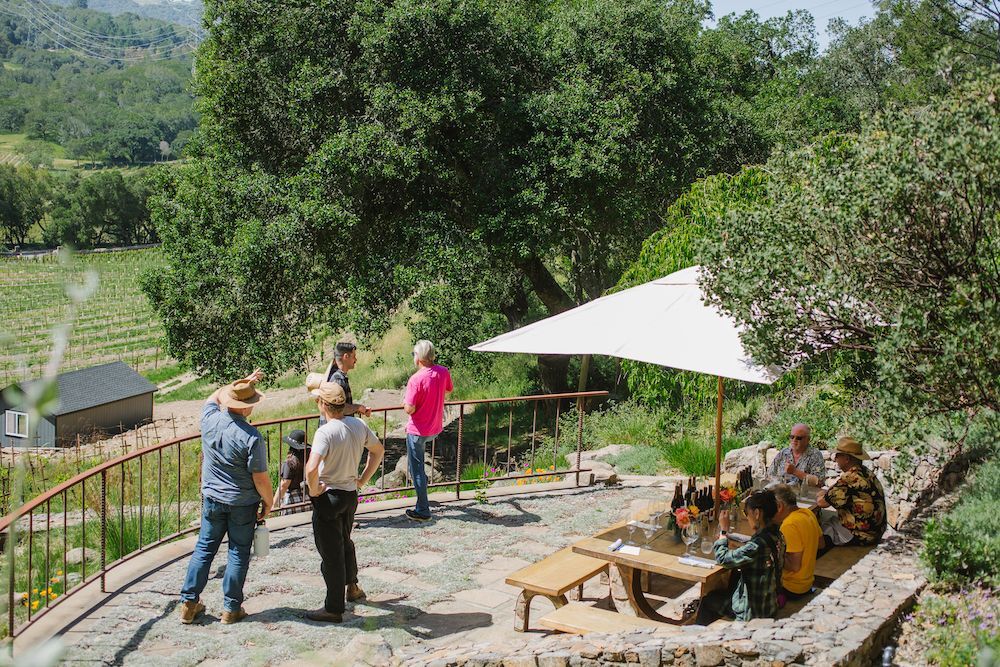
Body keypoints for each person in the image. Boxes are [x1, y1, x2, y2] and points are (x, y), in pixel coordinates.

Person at [179, 370, 272, 625]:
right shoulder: (252, 437)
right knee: (238, 552)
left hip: (212, 498)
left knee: (204, 548)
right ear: (247, 407)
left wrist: (239, 384)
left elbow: (214, 397)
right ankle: (231, 608)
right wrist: (269, 501)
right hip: (242, 503)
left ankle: (188, 603)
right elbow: (260, 478)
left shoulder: (209, 418)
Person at [304, 381, 384, 623]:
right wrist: (362, 480)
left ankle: (333, 608)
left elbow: (311, 468)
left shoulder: (325, 432)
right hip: (350, 495)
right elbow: (378, 451)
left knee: (331, 555)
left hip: (329, 496)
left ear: (322, 404)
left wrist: (314, 490)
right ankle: (353, 587)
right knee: (345, 541)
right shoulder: (358, 425)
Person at [703, 490, 786, 622]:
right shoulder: (778, 535)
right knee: (731, 582)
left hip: (752, 612)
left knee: (708, 601)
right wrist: (737, 547)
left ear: (757, 513)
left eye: (746, 514)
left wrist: (723, 531)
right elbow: (756, 554)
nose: (747, 519)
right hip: (769, 605)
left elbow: (722, 558)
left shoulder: (757, 545)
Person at [402, 340, 452, 522]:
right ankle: (423, 500)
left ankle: (423, 509)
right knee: (417, 467)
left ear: (419, 357)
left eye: (414, 354)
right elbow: (448, 389)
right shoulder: (443, 372)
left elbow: (409, 409)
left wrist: (405, 402)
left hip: (417, 430)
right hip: (434, 427)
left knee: (416, 469)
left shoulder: (415, 379)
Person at [815, 437, 887, 546]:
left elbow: (822, 503)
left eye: (837, 455)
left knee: (817, 531)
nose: (835, 458)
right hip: (876, 531)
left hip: (861, 535)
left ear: (847, 459)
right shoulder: (866, 472)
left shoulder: (850, 478)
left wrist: (820, 494)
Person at [771, 484, 822, 604]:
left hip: (791, 587)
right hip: (807, 583)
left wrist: (773, 553)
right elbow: (821, 544)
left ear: (779, 506)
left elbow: (794, 566)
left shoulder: (789, 524)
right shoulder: (807, 513)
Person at [316, 341, 371, 421]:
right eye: (354, 356)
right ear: (346, 356)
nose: (355, 360)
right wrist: (358, 407)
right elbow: (339, 408)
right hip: (335, 428)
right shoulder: (338, 379)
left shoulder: (337, 376)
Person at [271, 429, 309, 516]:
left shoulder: (289, 463)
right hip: (307, 497)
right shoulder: (308, 459)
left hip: (292, 500)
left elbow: (284, 485)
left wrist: (273, 505)